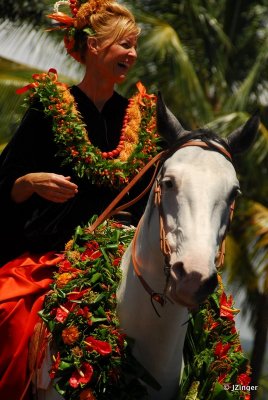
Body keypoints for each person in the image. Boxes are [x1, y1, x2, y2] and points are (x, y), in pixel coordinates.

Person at [0, 1, 160, 399]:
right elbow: (3, 185)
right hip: (52, 255)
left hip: (127, 261)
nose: (133, 54)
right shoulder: (49, 107)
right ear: (92, 46)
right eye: (123, 44)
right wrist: (30, 181)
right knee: (7, 314)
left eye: (135, 45)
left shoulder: (143, 120)